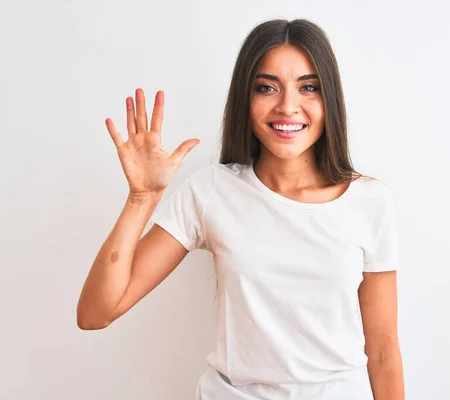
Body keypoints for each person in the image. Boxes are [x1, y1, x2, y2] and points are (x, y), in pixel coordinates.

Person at [77, 18, 405, 400]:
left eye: (308, 87)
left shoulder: (369, 201)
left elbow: (382, 351)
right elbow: (96, 313)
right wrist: (142, 198)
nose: (287, 106)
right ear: (244, 100)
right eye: (267, 87)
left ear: (330, 97)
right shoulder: (211, 190)